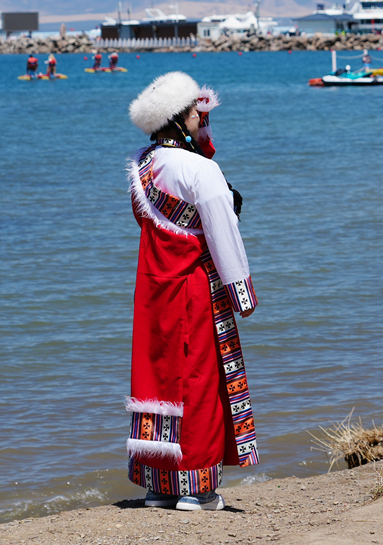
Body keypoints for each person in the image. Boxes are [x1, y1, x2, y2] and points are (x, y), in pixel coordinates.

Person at [125, 72, 258, 511]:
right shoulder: (202, 169)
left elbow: (152, 227)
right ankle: (197, 488)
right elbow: (222, 234)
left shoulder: (143, 167)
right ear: (181, 119)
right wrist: (242, 291)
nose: (203, 122)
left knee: (158, 378)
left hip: (153, 290)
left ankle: (160, 484)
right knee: (200, 381)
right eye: (197, 115)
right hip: (196, 289)